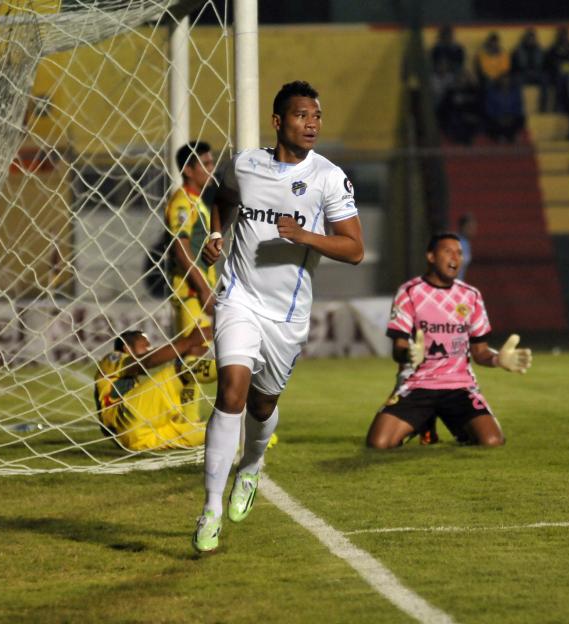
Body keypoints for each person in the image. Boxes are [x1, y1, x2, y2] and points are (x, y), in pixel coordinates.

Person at [191, 80, 364, 553]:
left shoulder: (328, 177)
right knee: (231, 390)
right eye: (302, 115)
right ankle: (209, 509)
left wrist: (306, 237)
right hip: (239, 298)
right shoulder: (246, 164)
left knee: (262, 407)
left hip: (286, 317)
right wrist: (218, 232)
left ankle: (250, 467)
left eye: (317, 116)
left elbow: (354, 249)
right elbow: (223, 197)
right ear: (277, 121)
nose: (312, 124)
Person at [365, 232, 532, 450]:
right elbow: (399, 348)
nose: (455, 257)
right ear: (431, 257)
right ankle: (422, 422)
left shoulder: (471, 296)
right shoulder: (410, 292)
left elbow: (480, 352)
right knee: (379, 443)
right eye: (448, 251)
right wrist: (410, 355)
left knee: (492, 441)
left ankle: (448, 425)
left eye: (459, 253)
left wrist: (498, 359)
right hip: (418, 385)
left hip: (459, 386)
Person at [94, 326, 213, 452]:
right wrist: (189, 341)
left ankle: (198, 423)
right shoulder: (111, 359)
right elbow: (146, 361)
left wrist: (192, 350)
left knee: (208, 433)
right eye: (145, 346)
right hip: (124, 418)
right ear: (127, 348)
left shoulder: (132, 381)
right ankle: (231, 372)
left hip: (138, 440)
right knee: (182, 371)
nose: (149, 350)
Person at [165, 141, 217, 424]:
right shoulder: (183, 201)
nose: (211, 169)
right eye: (206, 164)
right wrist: (204, 289)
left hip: (197, 290)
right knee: (192, 355)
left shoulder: (197, 201)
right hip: (190, 291)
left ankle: (187, 418)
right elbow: (181, 248)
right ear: (188, 169)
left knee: (193, 353)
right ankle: (187, 420)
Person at [456, 213, 476, 281]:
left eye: (473, 227)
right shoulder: (458, 243)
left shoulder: (466, 243)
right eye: (469, 227)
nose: (472, 230)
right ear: (463, 227)